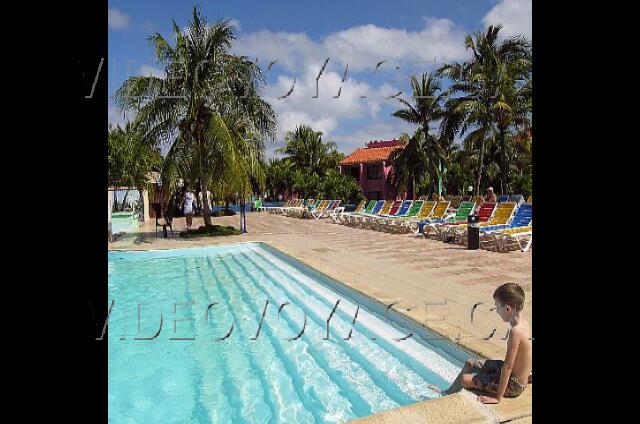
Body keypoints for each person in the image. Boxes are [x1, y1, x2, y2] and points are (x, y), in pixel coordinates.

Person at [444, 283, 532, 403]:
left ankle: (448, 395)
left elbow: (508, 367)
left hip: (514, 385)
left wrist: (497, 397)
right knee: (470, 363)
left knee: (464, 380)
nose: (496, 311)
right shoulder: (525, 323)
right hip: (517, 377)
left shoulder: (515, 332)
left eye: (497, 307)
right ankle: (447, 392)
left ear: (507, 308)